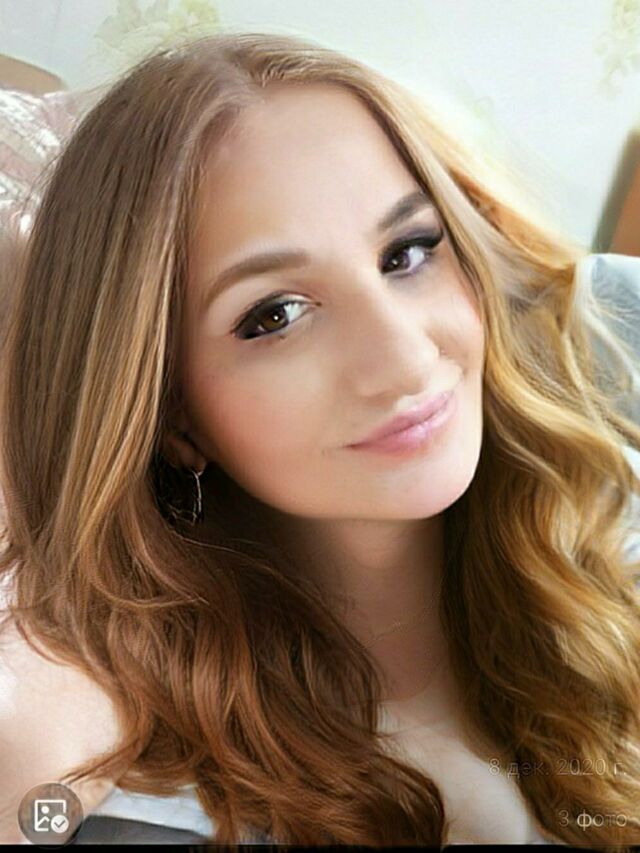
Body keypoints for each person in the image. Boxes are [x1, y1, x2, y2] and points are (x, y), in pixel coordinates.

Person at [0, 30, 639, 848]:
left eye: (407, 252)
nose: (405, 358)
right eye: (276, 314)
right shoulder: (136, 788)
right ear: (170, 414)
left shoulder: (602, 519)